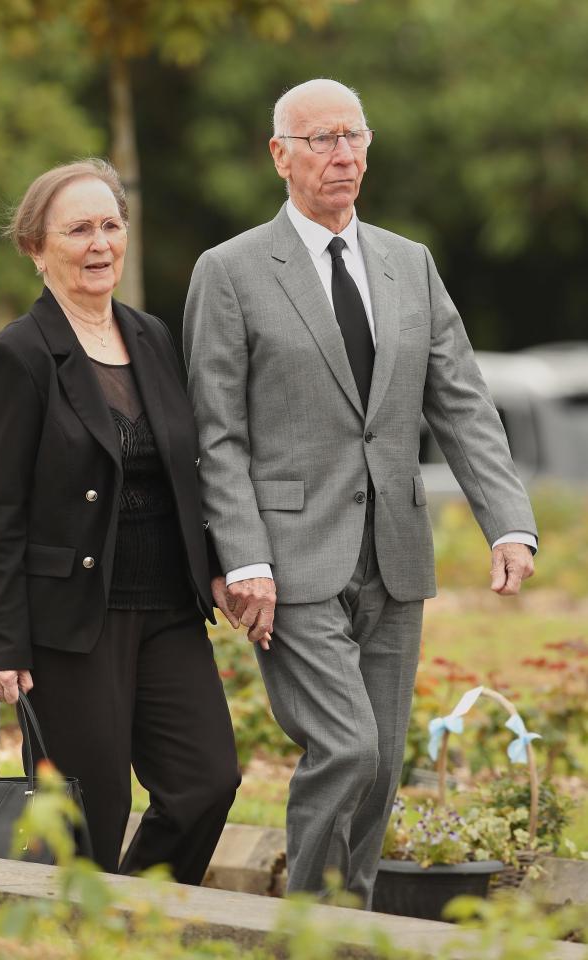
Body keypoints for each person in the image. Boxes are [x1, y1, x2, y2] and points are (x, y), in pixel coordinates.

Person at [183, 79, 537, 906]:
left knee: (379, 766)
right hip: (289, 560)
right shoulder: (229, 271)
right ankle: (303, 928)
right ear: (280, 155)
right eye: (320, 140)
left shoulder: (408, 263)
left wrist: (509, 522)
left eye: (353, 138)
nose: (342, 156)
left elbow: (462, 403)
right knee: (348, 749)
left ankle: (353, 928)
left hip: (396, 553)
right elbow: (216, 432)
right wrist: (242, 556)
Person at [0, 158, 240, 879]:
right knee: (89, 813)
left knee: (205, 785)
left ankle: (134, 924)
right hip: (70, 620)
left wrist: (218, 565)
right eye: (78, 228)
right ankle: (72, 938)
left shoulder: (151, 334)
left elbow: (184, 473)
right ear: (36, 247)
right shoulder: (18, 356)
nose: (99, 243)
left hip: (167, 609)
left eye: (111, 225)